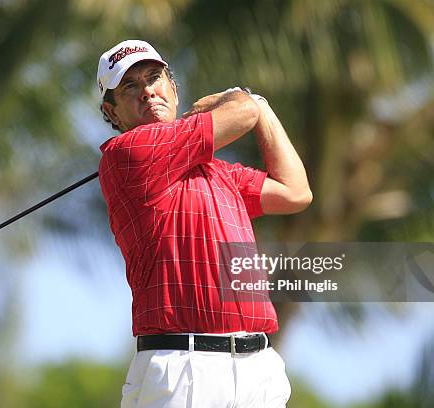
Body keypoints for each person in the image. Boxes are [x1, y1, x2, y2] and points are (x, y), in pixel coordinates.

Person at [96, 39, 312, 408]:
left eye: (154, 78)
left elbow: (295, 192)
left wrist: (262, 106)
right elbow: (241, 113)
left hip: (257, 367)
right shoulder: (127, 154)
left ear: (174, 89)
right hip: (182, 367)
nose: (147, 91)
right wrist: (242, 99)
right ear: (112, 113)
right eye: (129, 86)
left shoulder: (217, 172)